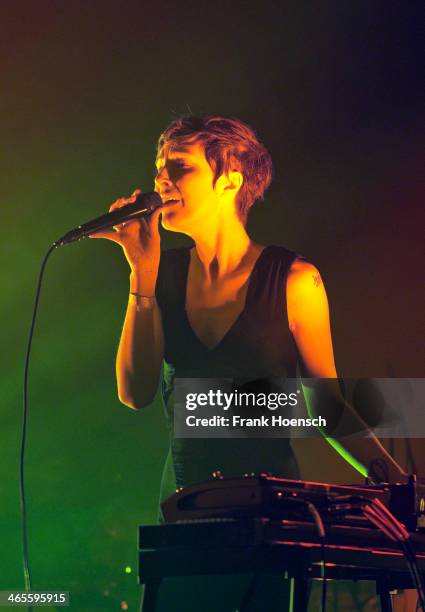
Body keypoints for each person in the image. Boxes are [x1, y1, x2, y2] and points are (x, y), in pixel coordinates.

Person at [91, 115, 407, 610]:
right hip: (182, 509)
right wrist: (141, 276)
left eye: (179, 166)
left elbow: (327, 407)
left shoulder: (294, 280)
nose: (160, 181)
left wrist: (397, 487)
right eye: (158, 168)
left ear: (229, 179)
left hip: (272, 519)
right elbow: (135, 392)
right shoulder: (160, 274)